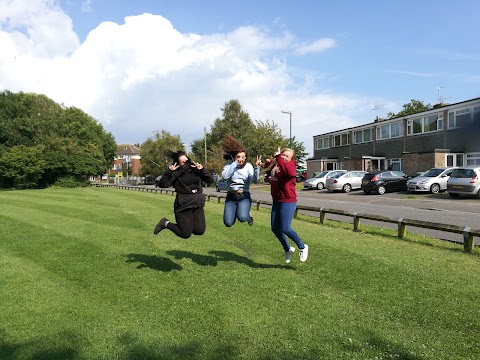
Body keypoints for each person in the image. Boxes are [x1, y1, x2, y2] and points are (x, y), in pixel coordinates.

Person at [154, 150, 214, 239]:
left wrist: (202, 169)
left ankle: (187, 225)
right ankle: (165, 223)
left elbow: (210, 180)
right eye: (182, 162)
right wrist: (169, 172)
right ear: (178, 163)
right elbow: (163, 184)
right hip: (183, 205)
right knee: (185, 234)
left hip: (197, 203)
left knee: (199, 230)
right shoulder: (176, 174)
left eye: (186, 160)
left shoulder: (196, 170)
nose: (185, 163)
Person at [265, 147, 308, 263]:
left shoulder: (291, 166)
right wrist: (265, 164)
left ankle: (302, 246)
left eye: (286, 156)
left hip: (288, 201)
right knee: (275, 228)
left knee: (285, 228)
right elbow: (270, 174)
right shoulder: (278, 167)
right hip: (277, 201)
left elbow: (288, 172)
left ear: (291, 159)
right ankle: (288, 249)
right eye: (282, 155)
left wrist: (279, 158)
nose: (283, 157)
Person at [221, 148, 262, 227]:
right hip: (231, 197)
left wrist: (256, 168)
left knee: (242, 217)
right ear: (234, 157)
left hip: (244, 196)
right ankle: (240, 210)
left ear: (245, 157)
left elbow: (254, 180)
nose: (240, 159)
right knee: (228, 223)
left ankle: (246, 213)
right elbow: (225, 176)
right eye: (238, 157)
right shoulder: (229, 165)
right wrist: (234, 164)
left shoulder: (248, 166)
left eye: (242, 157)